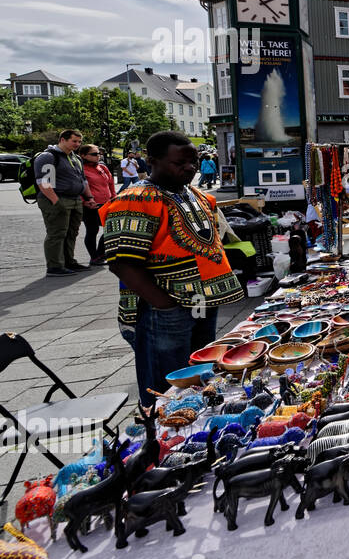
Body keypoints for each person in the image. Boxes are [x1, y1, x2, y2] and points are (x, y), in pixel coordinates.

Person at [101, 131, 245, 407]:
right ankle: (162, 436)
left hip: (203, 301)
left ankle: (197, 427)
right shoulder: (136, 199)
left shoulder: (194, 195)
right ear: (152, 161)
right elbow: (121, 262)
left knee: (200, 371)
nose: (190, 168)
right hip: (166, 308)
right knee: (166, 384)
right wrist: (163, 303)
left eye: (193, 162)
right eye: (180, 163)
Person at [33, 129, 90, 277]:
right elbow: (44, 182)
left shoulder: (75, 158)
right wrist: (56, 202)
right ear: (62, 140)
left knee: (71, 233)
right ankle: (54, 266)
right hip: (57, 199)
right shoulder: (48, 156)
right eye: (74, 141)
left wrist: (89, 198)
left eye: (79, 142)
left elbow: (83, 179)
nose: (77, 144)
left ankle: (68, 261)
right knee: (57, 233)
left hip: (75, 199)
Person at [78, 143, 114, 265]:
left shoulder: (102, 168)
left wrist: (114, 198)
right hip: (91, 206)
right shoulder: (80, 169)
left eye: (99, 153)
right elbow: (78, 187)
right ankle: (94, 257)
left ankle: (101, 253)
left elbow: (110, 184)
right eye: (94, 154)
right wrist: (85, 201)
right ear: (83, 155)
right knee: (92, 230)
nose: (98, 156)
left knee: (111, 229)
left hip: (107, 204)